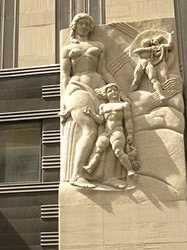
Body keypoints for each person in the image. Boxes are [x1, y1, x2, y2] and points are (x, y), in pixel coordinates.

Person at [59, 13, 119, 188]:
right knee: (89, 129)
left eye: (87, 24)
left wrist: (118, 90)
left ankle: (104, 175)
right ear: (74, 26)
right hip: (77, 88)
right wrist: (64, 102)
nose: (85, 27)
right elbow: (64, 75)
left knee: (105, 130)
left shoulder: (98, 46)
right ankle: (77, 175)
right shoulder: (67, 48)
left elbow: (103, 70)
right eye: (81, 23)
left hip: (98, 87)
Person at [82, 84, 140, 188]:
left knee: (118, 150)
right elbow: (101, 120)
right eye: (110, 91)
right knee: (98, 148)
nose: (113, 92)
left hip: (117, 131)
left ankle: (130, 170)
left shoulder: (123, 105)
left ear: (118, 93)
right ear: (106, 94)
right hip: (106, 132)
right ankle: (90, 167)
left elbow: (128, 121)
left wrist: (130, 134)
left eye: (115, 90)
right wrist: (91, 114)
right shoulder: (103, 106)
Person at [131, 31, 175, 101]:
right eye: (144, 43)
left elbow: (161, 52)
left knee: (154, 79)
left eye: (146, 43)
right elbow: (136, 51)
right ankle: (130, 93)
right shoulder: (148, 49)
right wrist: (149, 49)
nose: (144, 44)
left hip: (149, 64)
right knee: (136, 80)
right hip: (141, 64)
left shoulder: (154, 49)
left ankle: (161, 95)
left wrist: (170, 36)